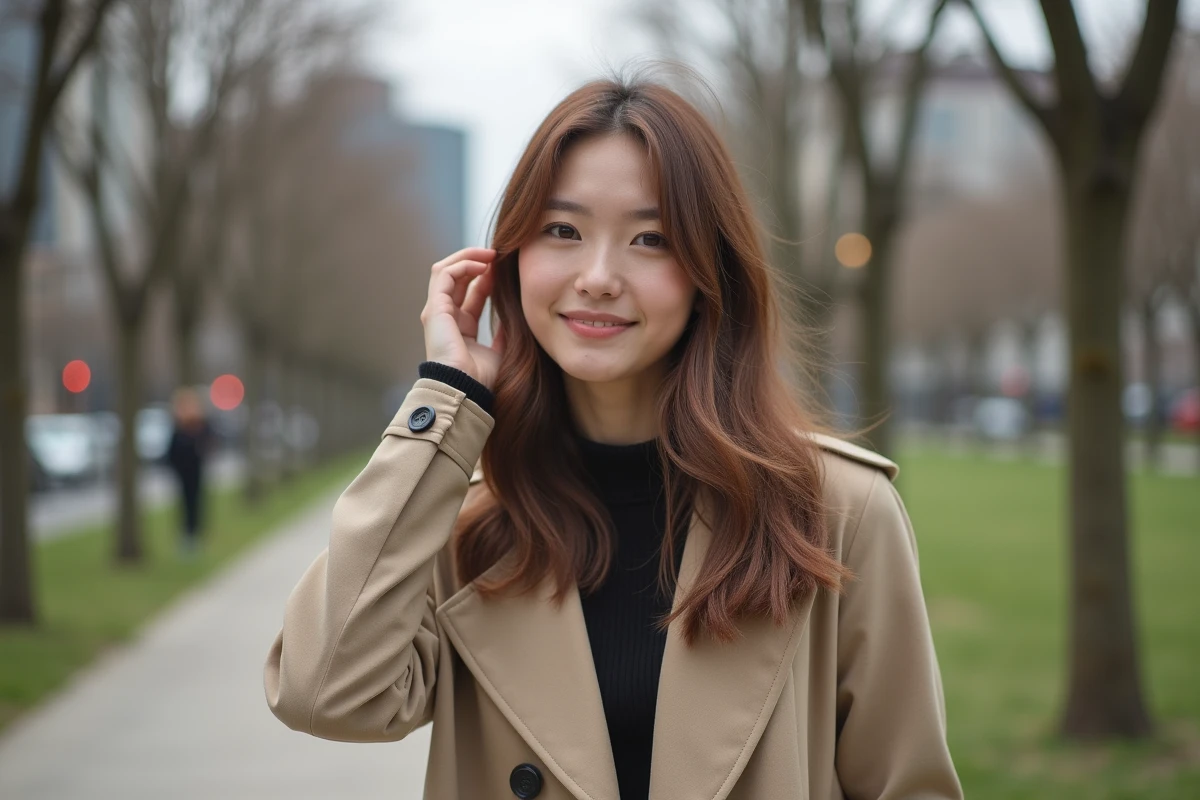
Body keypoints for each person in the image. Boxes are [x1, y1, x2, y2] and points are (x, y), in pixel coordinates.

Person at [264, 76, 962, 799]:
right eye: (562, 231)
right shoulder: (460, 518)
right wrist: (448, 399)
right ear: (509, 261)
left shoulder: (835, 511)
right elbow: (324, 694)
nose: (598, 278)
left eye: (651, 239)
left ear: (707, 274)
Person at [165, 387, 213, 556]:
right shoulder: (178, 429)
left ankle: (195, 537)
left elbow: (208, 446)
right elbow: (171, 453)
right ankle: (187, 538)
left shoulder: (201, 426)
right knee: (184, 506)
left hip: (196, 473)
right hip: (182, 474)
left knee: (196, 505)